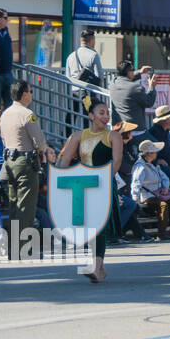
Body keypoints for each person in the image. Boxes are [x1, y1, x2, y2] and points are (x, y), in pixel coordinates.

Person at [54, 96, 130, 281]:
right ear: (91, 116)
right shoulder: (78, 136)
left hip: (103, 184)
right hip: (82, 185)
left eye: (108, 113)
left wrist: (104, 180)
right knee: (89, 226)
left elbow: (117, 162)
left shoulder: (113, 135)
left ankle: (96, 266)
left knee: (100, 225)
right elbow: (64, 161)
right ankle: (100, 268)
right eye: (101, 113)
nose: (106, 117)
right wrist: (61, 184)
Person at [0, 81, 57, 246]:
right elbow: (39, 141)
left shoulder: (5, 114)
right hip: (25, 162)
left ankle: (12, 244)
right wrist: (44, 151)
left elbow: (4, 139)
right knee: (26, 206)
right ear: (24, 94)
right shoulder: (27, 114)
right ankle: (23, 245)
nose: (31, 95)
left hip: (9, 161)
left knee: (13, 204)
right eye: (30, 92)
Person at [132, 139, 170, 239]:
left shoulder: (153, 165)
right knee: (163, 206)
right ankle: (161, 234)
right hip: (148, 197)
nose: (156, 153)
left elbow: (165, 178)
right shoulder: (140, 166)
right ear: (149, 154)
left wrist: (166, 188)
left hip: (158, 195)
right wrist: (135, 197)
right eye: (154, 151)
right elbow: (136, 182)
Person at [64, 28, 106, 126]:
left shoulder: (71, 56)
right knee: (88, 114)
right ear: (92, 40)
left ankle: (67, 136)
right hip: (87, 93)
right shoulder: (93, 55)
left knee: (71, 114)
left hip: (74, 91)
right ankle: (87, 137)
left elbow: (67, 76)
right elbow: (99, 76)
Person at [109, 61, 157, 135]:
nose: (134, 71)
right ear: (129, 72)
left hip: (118, 129)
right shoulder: (135, 87)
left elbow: (125, 78)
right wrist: (152, 87)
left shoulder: (113, 83)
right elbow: (149, 102)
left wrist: (140, 72)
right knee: (158, 146)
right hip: (136, 132)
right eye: (133, 70)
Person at [0, 9, 14, 109]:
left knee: (10, 104)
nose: (7, 20)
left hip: (7, 73)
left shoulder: (5, 31)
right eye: (5, 18)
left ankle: (8, 124)